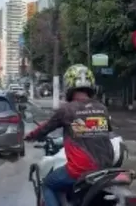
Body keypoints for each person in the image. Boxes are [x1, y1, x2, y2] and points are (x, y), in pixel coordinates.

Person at [24, 64, 114, 206]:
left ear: (69, 85)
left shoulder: (66, 109)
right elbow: (101, 131)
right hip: (106, 168)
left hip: (81, 169)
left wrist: (29, 136)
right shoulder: (102, 108)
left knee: (48, 184)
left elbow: (45, 128)